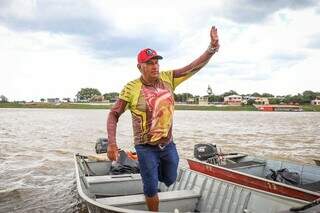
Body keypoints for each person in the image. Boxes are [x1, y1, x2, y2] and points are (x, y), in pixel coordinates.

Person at [107, 26, 219, 211]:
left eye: (157, 62)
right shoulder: (131, 88)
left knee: (170, 179)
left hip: (168, 145)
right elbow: (113, 114)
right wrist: (112, 143)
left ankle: (150, 169)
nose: (155, 66)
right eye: (150, 63)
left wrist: (211, 49)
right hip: (145, 147)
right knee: (151, 188)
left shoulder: (168, 79)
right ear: (140, 67)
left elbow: (193, 67)